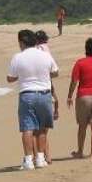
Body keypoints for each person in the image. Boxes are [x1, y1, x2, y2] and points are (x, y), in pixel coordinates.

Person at [7, 29, 59, 170]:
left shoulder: (18, 57)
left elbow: (10, 78)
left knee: (27, 128)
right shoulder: (45, 55)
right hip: (44, 93)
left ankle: (29, 160)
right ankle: (41, 159)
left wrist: (22, 76)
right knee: (43, 128)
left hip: (27, 94)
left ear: (21, 42)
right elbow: (55, 72)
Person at [35, 30, 60, 164]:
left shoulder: (36, 50)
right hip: (46, 90)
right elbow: (54, 73)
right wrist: (56, 108)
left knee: (36, 130)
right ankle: (46, 156)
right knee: (44, 130)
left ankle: (40, 156)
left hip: (35, 90)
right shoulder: (46, 50)